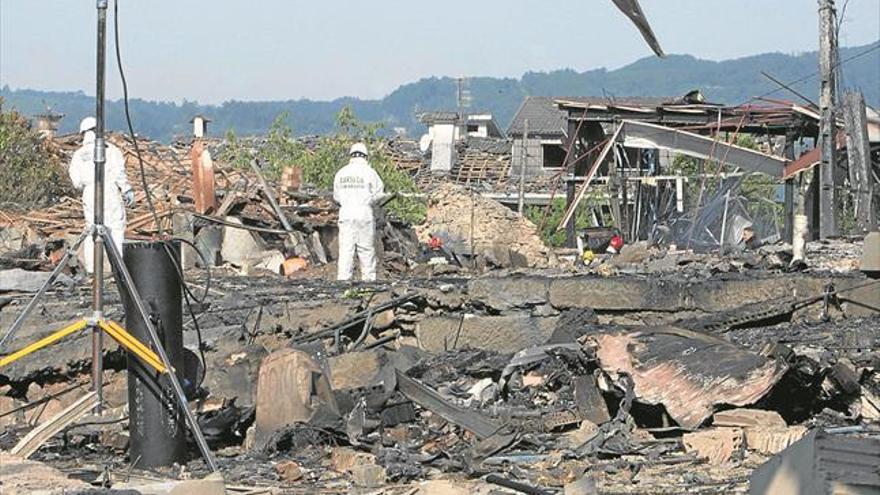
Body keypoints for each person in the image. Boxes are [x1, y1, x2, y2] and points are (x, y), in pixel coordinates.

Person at [68, 117, 135, 273]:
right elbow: (120, 174)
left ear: (83, 133)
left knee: (92, 229)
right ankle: (118, 268)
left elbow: (76, 182)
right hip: (110, 191)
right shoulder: (112, 150)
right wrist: (126, 189)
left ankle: (92, 270)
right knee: (116, 229)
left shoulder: (78, 155)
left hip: (90, 193)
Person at [333, 143, 384, 281]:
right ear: (365, 156)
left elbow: (336, 197)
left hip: (346, 214)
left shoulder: (341, 173)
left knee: (346, 250)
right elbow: (379, 194)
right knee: (366, 250)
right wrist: (368, 200)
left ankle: (343, 281)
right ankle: (368, 281)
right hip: (364, 214)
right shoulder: (370, 172)